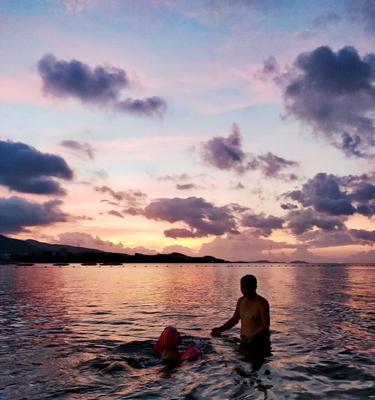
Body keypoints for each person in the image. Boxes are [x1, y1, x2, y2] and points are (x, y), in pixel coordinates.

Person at [211, 274, 270, 345]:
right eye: (242, 286)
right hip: (244, 339)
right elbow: (234, 319)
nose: (244, 289)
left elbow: (265, 325)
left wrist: (253, 336)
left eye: (247, 286)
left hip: (259, 341)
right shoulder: (241, 301)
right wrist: (220, 329)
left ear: (255, 287)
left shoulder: (262, 303)